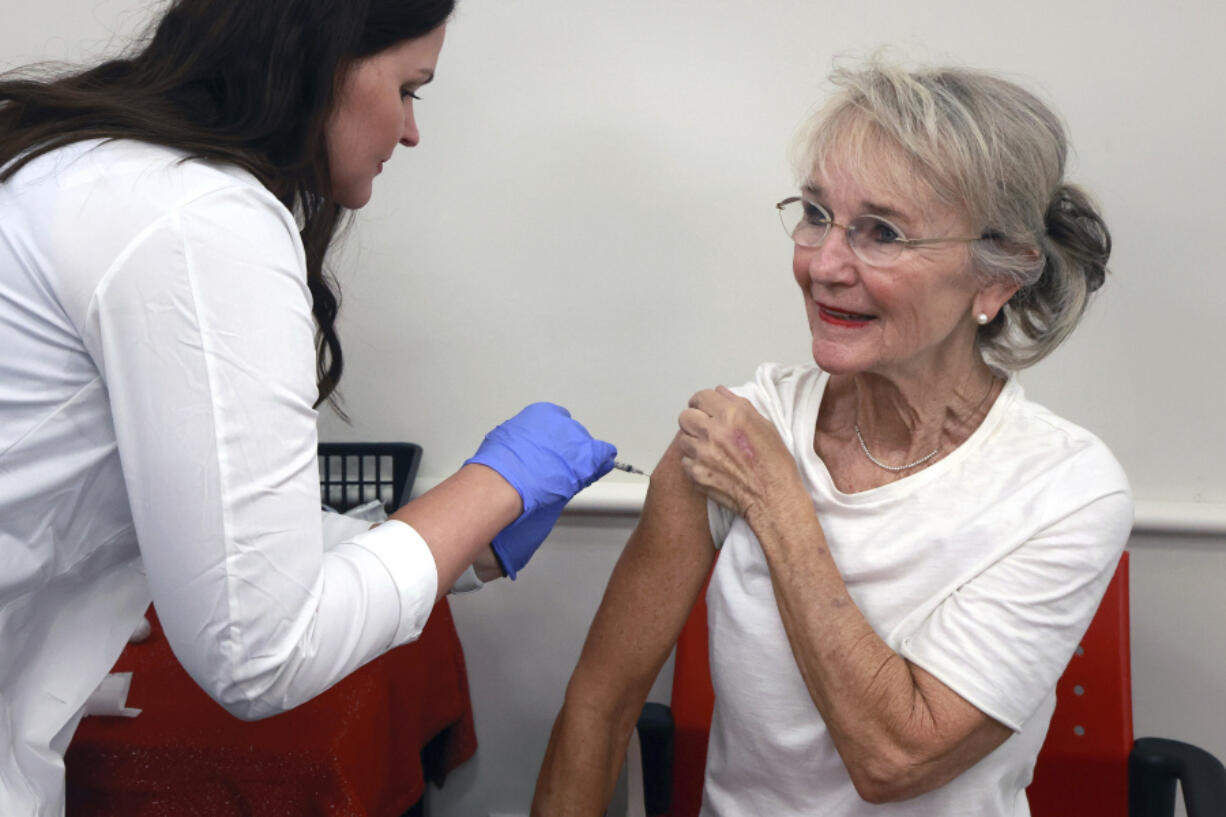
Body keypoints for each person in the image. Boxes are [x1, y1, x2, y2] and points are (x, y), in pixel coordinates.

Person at [0, 1, 616, 813]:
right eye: (409, 90)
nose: (409, 131)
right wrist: (494, 484)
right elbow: (258, 650)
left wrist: (458, 547)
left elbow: (236, 535)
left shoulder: (101, 171)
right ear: (324, 59)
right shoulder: (198, 220)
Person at [532, 60, 1132, 817]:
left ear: (996, 279)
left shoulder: (1064, 489)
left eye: (881, 232)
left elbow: (893, 757)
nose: (823, 265)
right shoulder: (742, 429)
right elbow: (600, 704)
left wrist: (780, 500)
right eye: (816, 214)